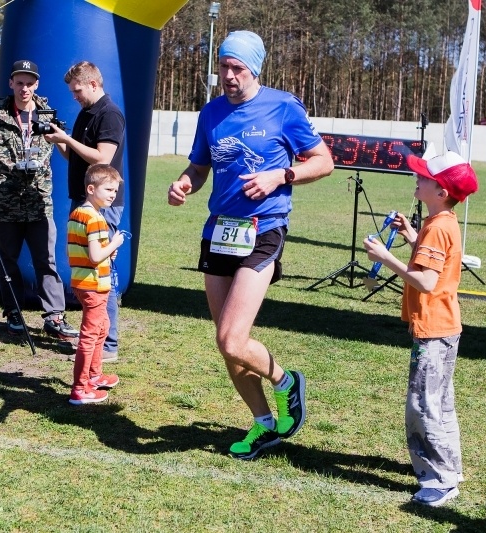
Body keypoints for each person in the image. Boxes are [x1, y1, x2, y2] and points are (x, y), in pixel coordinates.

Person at [167, 31, 334, 460]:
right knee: (229, 346)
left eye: (237, 68)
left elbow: (323, 162)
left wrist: (281, 176)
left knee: (231, 337)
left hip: (264, 229)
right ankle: (263, 424)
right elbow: (200, 166)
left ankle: (286, 381)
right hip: (219, 230)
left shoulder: (283, 106)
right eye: (223, 66)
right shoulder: (211, 113)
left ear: (255, 69)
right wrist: (186, 182)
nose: (228, 75)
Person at [362, 150, 478, 507]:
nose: (417, 178)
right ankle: (450, 468)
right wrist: (413, 236)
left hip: (432, 330)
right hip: (445, 326)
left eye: (424, 177)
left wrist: (387, 259)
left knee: (422, 405)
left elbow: (427, 282)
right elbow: (434, 263)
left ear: (441, 190)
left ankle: (440, 480)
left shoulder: (438, 227)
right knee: (441, 402)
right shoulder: (440, 222)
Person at [0, 59, 78, 340]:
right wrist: (1, 184)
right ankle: (13, 312)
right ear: (11, 83)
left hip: (38, 201)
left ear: (37, 84)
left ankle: (54, 315)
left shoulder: (47, 114)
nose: (24, 89)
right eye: (19, 83)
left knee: (46, 260)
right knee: (7, 260)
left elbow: (62, 149)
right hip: (4, 202)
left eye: (29, 83)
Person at [44, 61, 125, 363]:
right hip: (83, 201)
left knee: (102, 273)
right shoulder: (86, 113)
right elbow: (77, 157)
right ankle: (96, 335)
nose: (74, 96)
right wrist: (58, 142)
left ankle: (109, 344)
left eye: (77, 90)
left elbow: (103, 158)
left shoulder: (110, 114)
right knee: (86, 271)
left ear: (92, 84)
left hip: (104, 206)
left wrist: (68, 140)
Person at [66, 164, 127, 404]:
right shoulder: (95, 219)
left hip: (83, 282)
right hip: (94, 285)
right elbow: (94, 256)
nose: (113, 195)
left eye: (115, 190)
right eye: (109, 189)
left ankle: (95, 375)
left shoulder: (79, 213)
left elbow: (86, 251)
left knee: (103, 326)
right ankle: (80, 389)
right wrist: (115, 244)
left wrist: (105, 251)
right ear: (91, 188)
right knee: (90, 335)